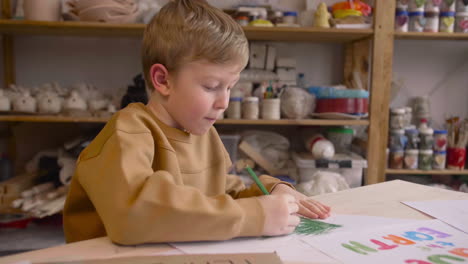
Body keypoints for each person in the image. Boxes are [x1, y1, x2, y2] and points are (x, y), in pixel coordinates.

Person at [63, 0, 330, 245]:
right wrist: (255, 215)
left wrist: (272, 189)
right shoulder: (127, 133)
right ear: (163, 80)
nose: (224, 101)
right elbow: (134, 214)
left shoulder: (204, 134)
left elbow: (222, 193)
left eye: (230, 87)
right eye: (212, 86)